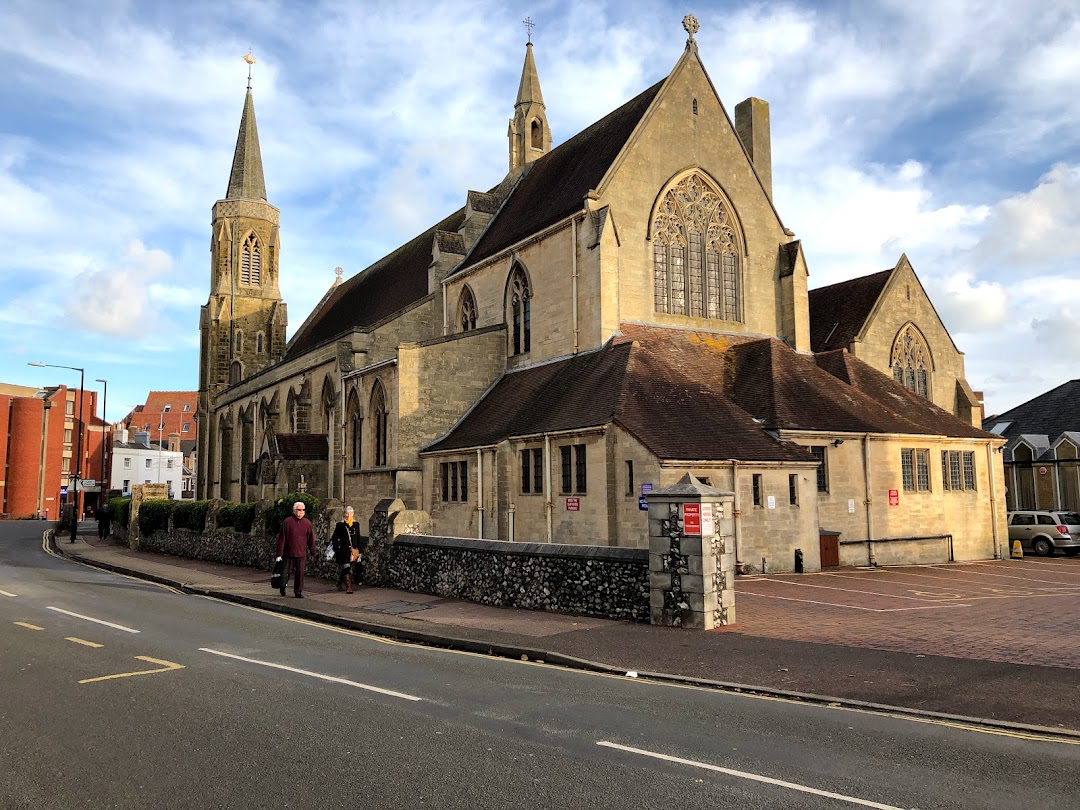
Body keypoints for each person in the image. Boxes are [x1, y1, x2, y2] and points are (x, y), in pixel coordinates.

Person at [276, 501, 316, 598]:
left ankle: (298, 592)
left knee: (300, 574)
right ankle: (282, 587)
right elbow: (282, 539)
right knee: (285, 574)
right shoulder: (287, 522)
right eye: (299, 510)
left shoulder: (307, 523)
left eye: (303, 510)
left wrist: (313, 551)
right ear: (294, 511)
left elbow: (311, 539)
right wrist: (279, 554)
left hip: (301, 554)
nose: (301, 512)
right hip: (288, 554)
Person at [330, 506, 361, 593]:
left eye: (350, 513)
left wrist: (360, 550)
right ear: (344, 514)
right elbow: (334, 538)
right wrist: (338, 548)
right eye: (347, 513)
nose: (348, 515)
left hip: (353, 551)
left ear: (353, 514)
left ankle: (339, 583)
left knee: (347, 568)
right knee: (346, 567)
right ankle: (348, 587)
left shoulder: (356, 525)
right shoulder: (340, 525)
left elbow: (358, 538)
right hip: (343, 551)